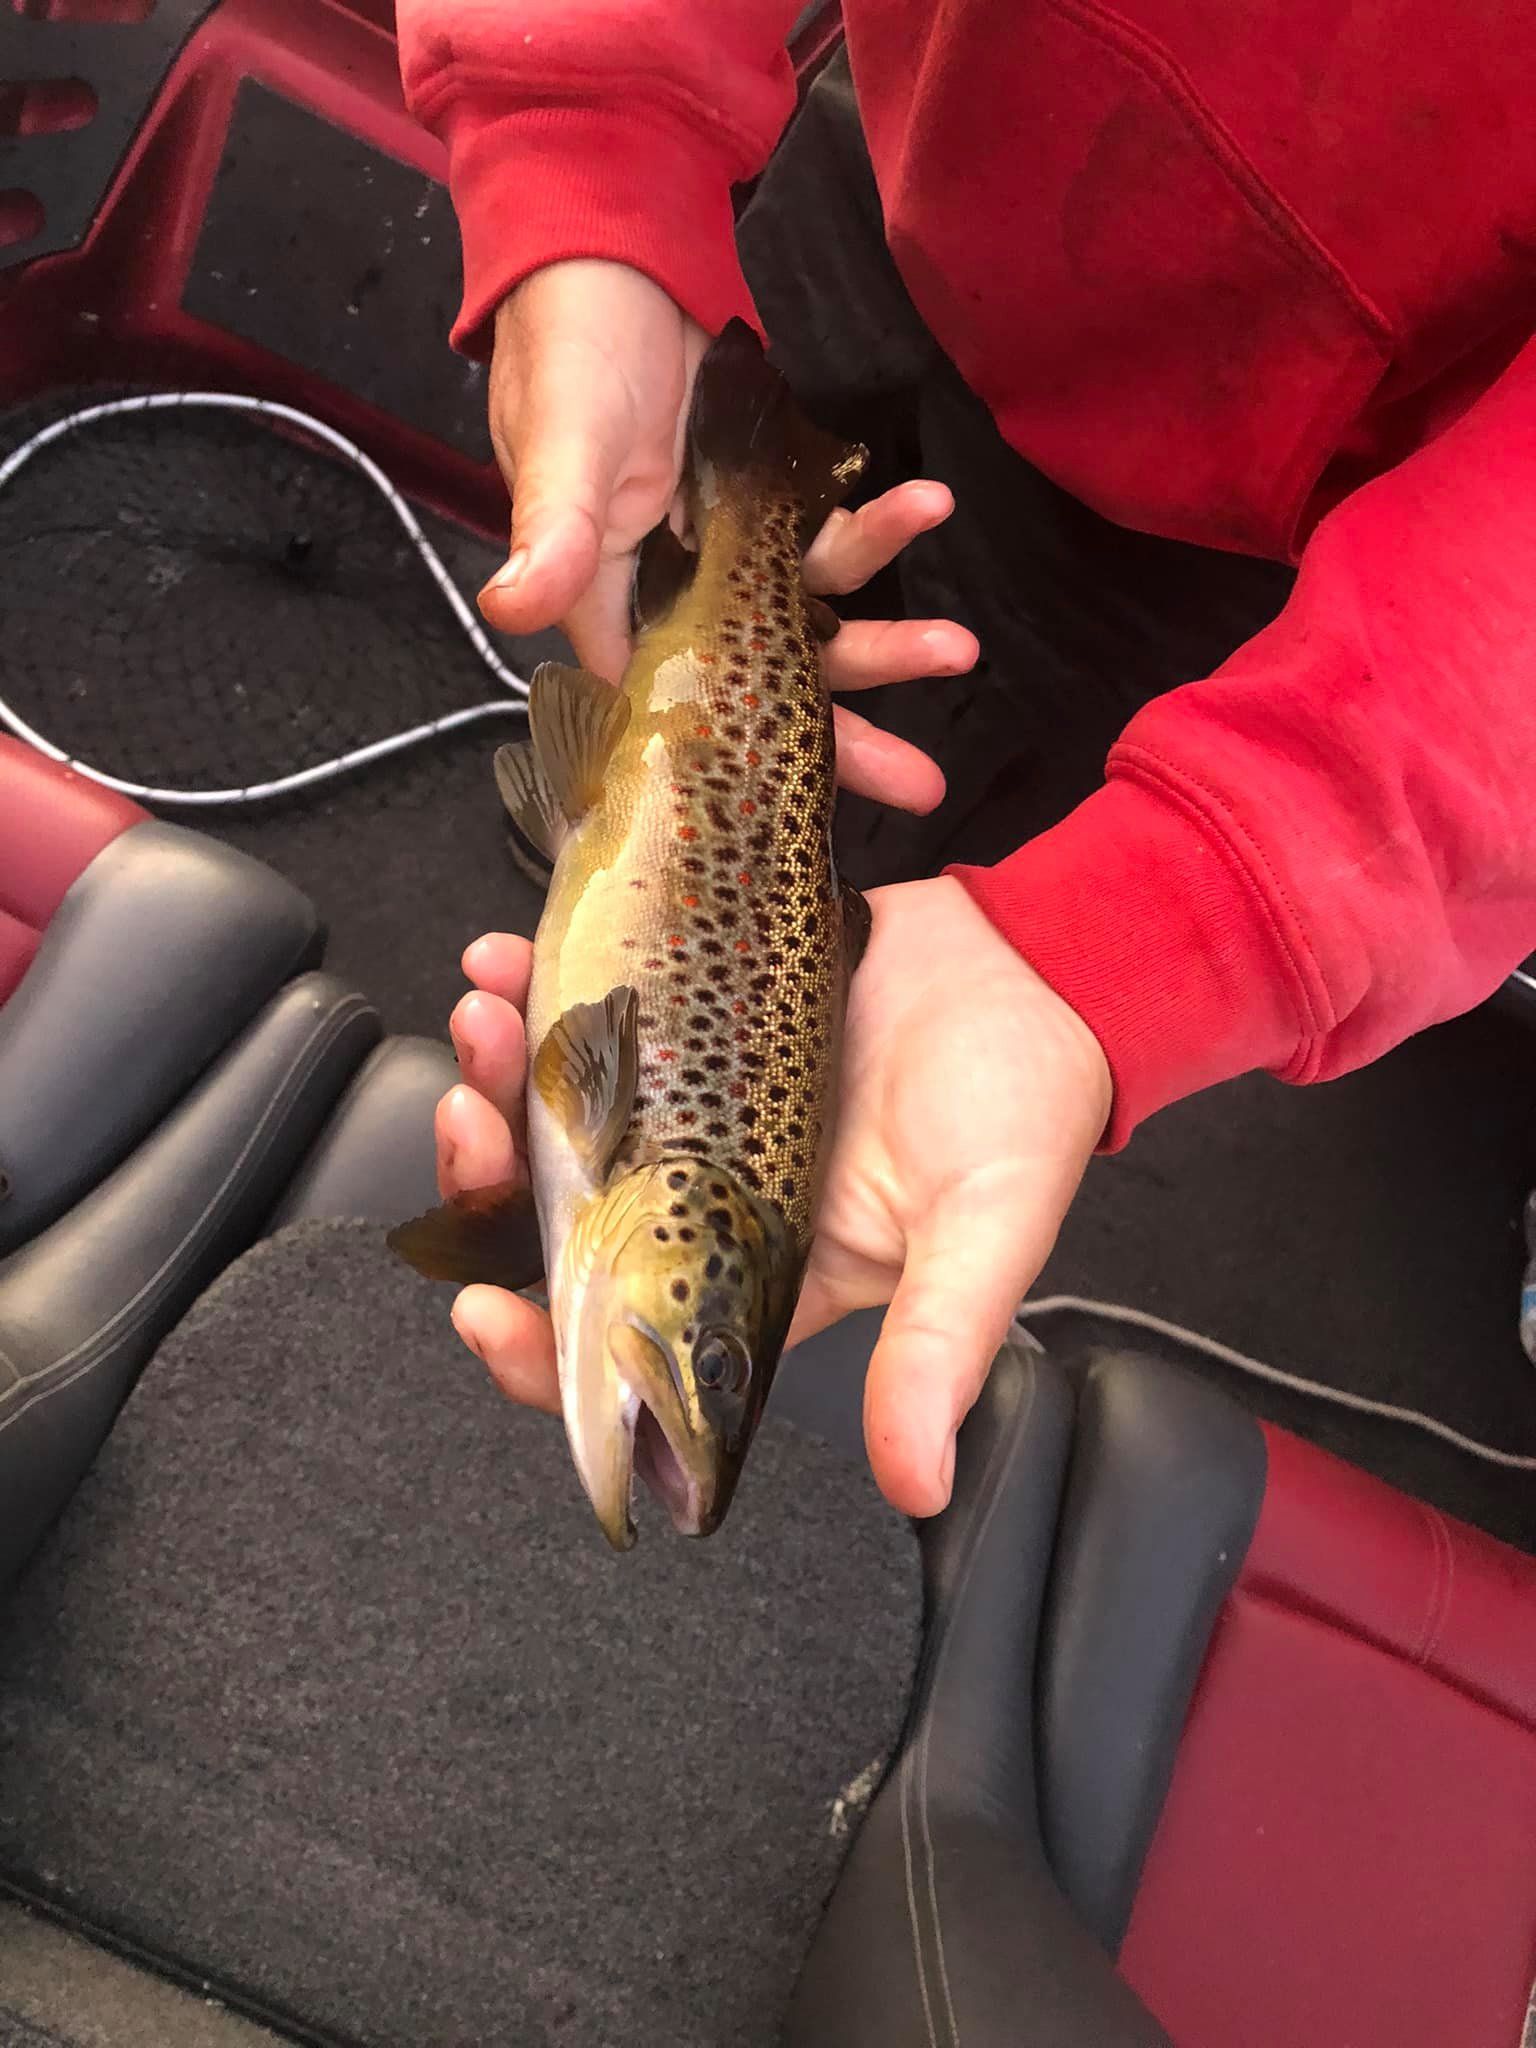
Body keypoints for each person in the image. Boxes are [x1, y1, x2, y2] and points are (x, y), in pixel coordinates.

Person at [394, 0, 1536, 1519]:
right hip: (898, 136)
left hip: (1239, 507)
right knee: (743, 584)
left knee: (923, 765)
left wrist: (1149, 927)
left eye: (712, 1362)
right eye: (715, 1357)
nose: (696, 1388)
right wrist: (589, 140)